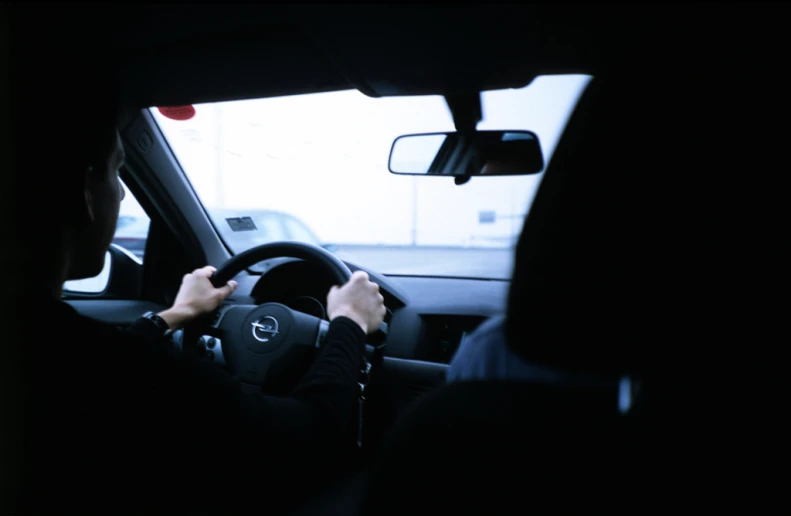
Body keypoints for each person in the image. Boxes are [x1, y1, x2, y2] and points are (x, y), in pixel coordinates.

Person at [4, 25, 385, 515]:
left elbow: (97, 360)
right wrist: (349, 325)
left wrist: (176, 314)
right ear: (84, 192)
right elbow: (309, 435)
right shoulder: (127, 374)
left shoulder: (60, 353)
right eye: (119, 170)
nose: (120, 193)